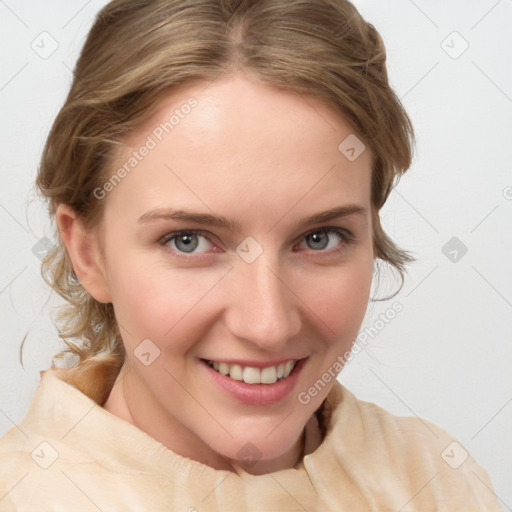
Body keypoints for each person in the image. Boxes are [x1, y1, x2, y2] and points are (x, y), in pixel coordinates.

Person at [0, 0, 502, 510]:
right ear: (88, 253)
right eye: (189, 240)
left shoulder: (440, 481)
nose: (268, 325)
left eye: (319, 238)